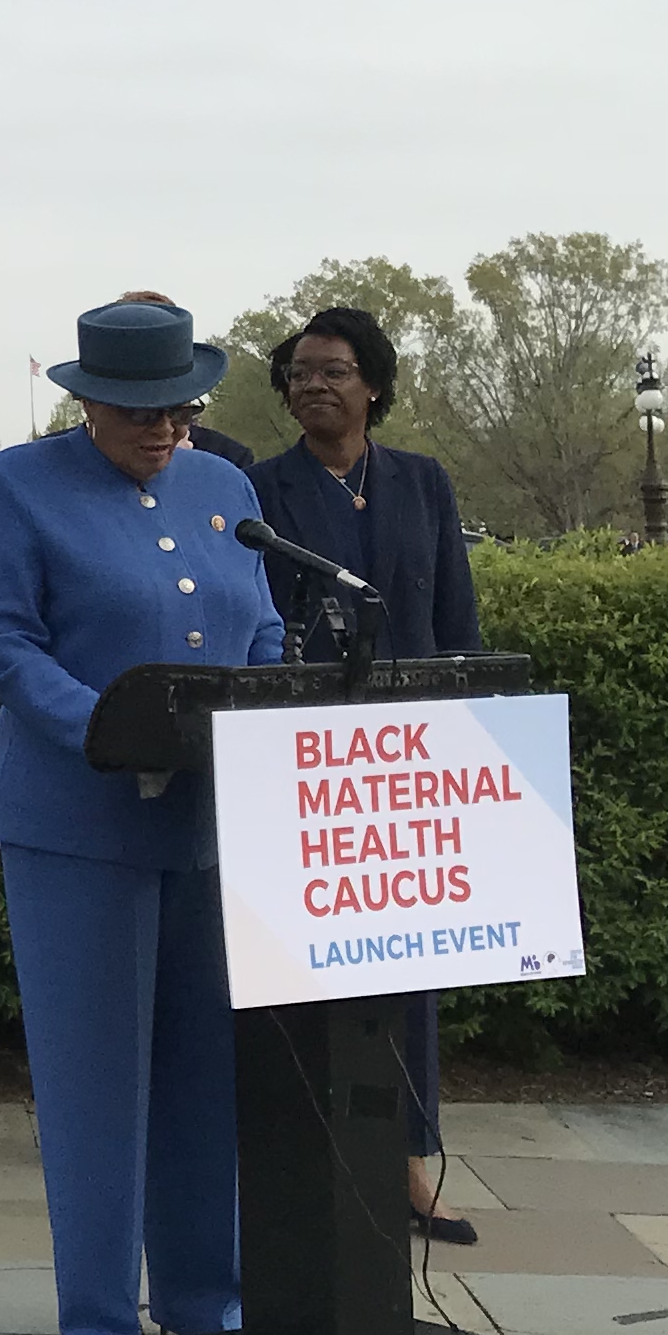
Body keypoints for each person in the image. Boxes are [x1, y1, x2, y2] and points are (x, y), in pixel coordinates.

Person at [0, 299, 289, 1335]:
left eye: (180, 408)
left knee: (205, 1075)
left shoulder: (225, 487)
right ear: (88, 403)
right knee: (98, 1081)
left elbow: (267, 624)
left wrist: (275, 703)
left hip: (206, 828)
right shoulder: (21, 483)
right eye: (137, 409)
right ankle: (101, 1322)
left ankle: (209, 1303)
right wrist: (104, 727)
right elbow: (5, 642)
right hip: (81, 825)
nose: (164, 429)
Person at [247, 305, 485, 1245]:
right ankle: (313, 1154)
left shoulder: (422, 483)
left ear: (374, 385)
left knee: (408, 969)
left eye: (334, 370)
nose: (314, 385)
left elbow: (455, 616)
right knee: (306, 967)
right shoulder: (257, 490)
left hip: (409, 761)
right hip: (307, 760)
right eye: (300, 372)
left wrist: (467, 725)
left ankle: (413, 1160)